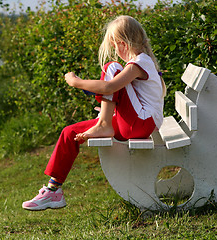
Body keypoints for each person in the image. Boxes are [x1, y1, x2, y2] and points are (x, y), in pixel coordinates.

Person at [22, 15, 166, 211]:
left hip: (141, 123)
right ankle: (53, 190)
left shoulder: (141, 62)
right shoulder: (137, 63)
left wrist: (76, 82)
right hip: (134, 121)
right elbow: (119, 93)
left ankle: (104, 125)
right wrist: (110, 109)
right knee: (69, 132)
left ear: (122, 43)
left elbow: (110, 86)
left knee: (111, 68)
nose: (115, 50)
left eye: (114, 45)